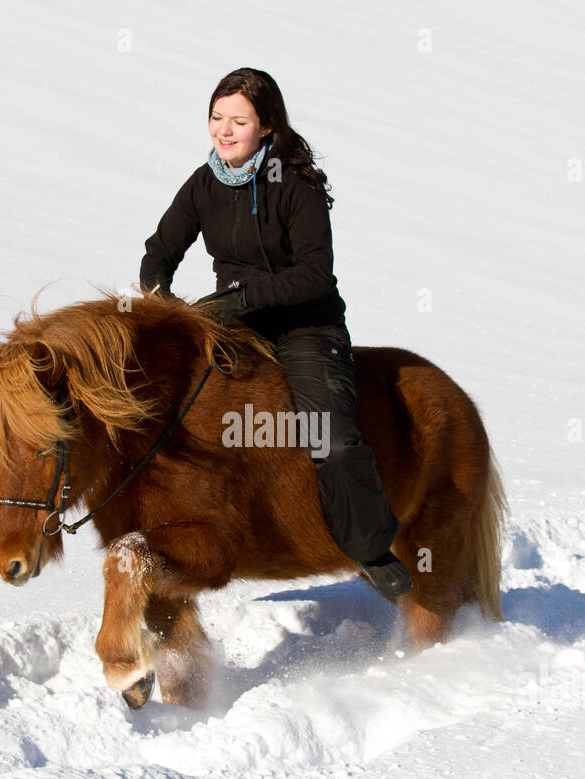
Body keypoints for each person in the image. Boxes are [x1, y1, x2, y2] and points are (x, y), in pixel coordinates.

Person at [139, 67, 411, 599]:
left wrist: (242, 299)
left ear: (267, 126)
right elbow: (160, 249)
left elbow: (315, 274)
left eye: (238, 120)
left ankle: (370, 546)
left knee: (329, 437)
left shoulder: (296, 185)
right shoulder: (204, 182)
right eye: (216, 117)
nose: (224, 129)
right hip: (233, 323)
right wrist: (161, 298)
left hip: (306, 325)